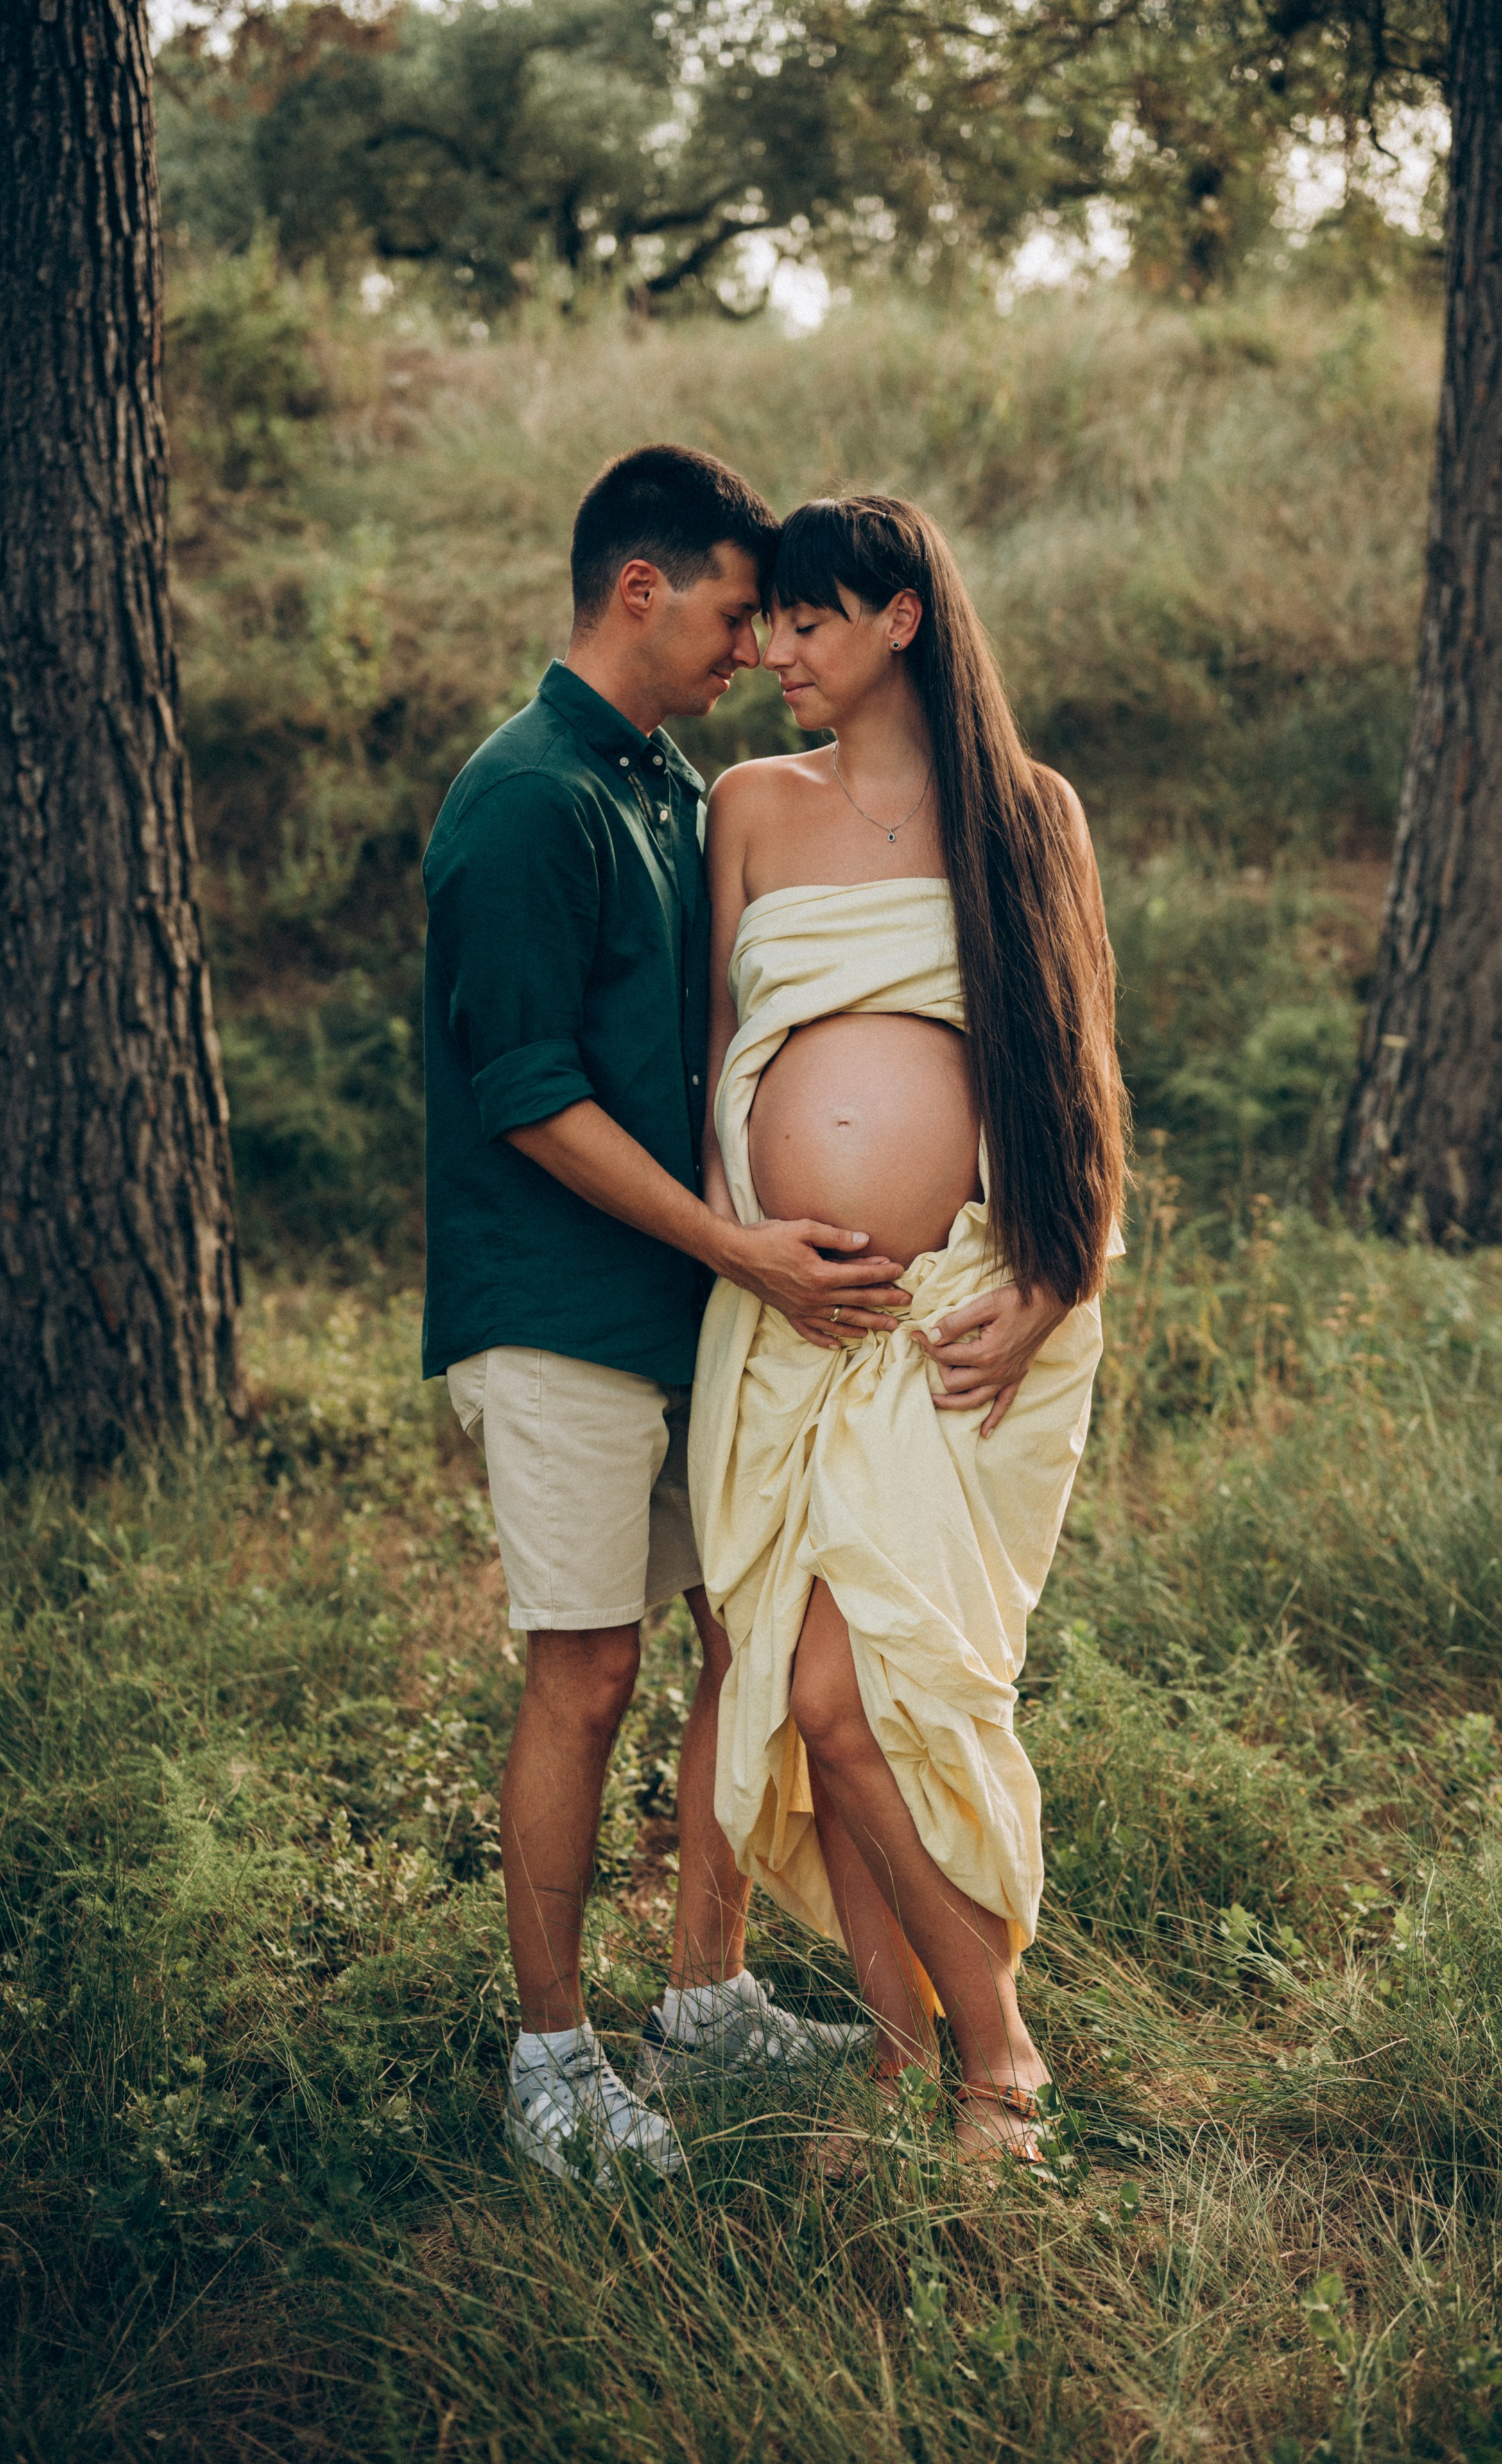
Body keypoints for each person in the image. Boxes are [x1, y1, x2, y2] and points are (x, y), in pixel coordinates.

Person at [422, 447, 910, 2181]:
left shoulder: (667, 786)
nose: (749, 646)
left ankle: (702, 2001)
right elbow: (527, 1094)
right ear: (640, 587)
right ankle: (548, 2060)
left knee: (734, 1631)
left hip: (689, 1303)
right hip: (555, 1303)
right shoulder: (527, 797)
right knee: (588, 1664)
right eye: (729, 610)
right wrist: (741, 1241)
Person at [690, 493, 1128, 2163]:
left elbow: (1078, 1064)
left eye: (808, 619)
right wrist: (749, 1252)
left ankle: (996, 2059)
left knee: (868, 1692)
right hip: (790, 1320)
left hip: (969, 1315)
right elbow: (712, 1059)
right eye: (770, 621)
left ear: (900, 622)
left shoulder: (1026, 815)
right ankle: (897, 2062)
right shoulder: (747, 806)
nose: (775, 650)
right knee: (822, 1701)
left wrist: (1051, 1275)